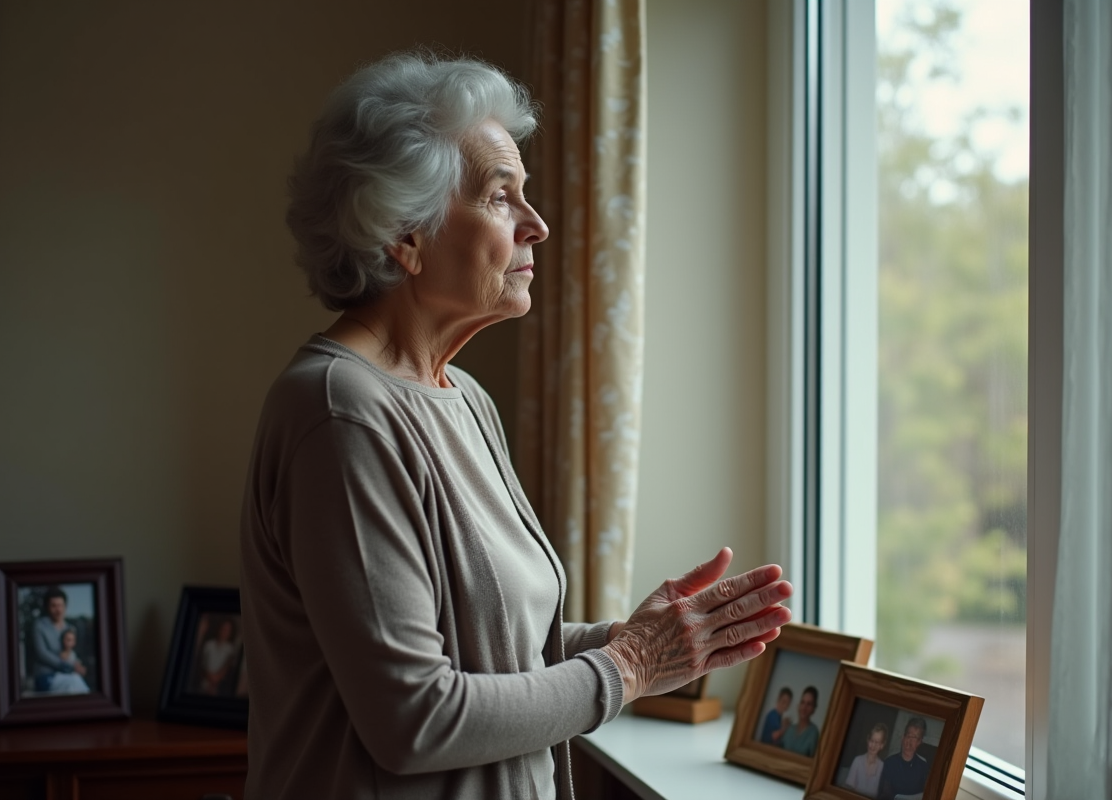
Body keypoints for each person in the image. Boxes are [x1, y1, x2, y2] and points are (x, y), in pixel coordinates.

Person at [240, 52, 795, 799]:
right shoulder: (342, 415)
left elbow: (493, 647)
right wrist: (630, 667)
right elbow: (417, 718)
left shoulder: (463, 396)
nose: (536, 225)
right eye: (502, 198)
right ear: (404, 234)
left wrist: (646, 642)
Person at [29, 587, 89, 694]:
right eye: (53, 606)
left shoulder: (69, 628)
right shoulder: (40, 625)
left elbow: (72, 652)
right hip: (46, 676)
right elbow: (42, 654)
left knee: (76, 683)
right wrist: (68, 666)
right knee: (74, 682)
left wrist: (78, 665)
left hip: (67, 675)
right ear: (47, 607)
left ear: (65, 606)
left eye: (60, 605)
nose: (58, 610)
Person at [878, 717, 931, 800]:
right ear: (903, 737)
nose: (909, 742)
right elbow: (884, 794)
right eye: (908, 735)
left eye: (915, 738)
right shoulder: (889, 763)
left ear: (920, 742)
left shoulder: (924, 767)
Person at [843, 722, 889, 798]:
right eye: (871, 740)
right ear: (867, 740)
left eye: (877, 742)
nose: (873, 746)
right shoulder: (857, 761)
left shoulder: (883, 767)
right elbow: (848, 789)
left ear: (882, 745)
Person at [197, 618, 239, 695]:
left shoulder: (231, 650)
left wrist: (216, 679)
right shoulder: (209, 645)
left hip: (220, 687)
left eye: (227, 630)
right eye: (223, 629)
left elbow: (228, 668)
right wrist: (210, 678)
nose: (224, 632)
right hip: (204, 684)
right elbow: (202, 664)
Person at [779, 685, 821, 756]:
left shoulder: (813, 732)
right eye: (802, 702)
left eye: (809, 704)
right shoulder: (790, 729)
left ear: (813, 710)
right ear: (798, 705)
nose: (804, 707)